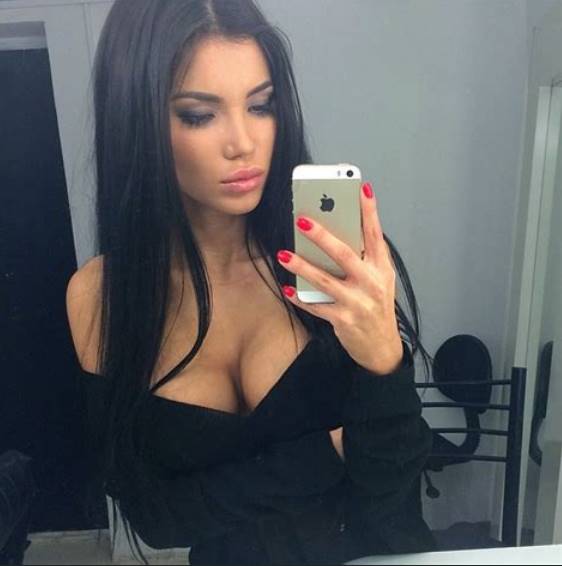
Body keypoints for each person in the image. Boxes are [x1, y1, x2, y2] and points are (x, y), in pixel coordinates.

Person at [65, 0, 437, 564]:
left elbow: (392, 492)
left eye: (261, 106)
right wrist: (331, 451)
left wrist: (384, 357)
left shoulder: (332, 264)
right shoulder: (102, 297)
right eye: (199, 114)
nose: (243, 142)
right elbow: (154, 517)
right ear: (135, 121)